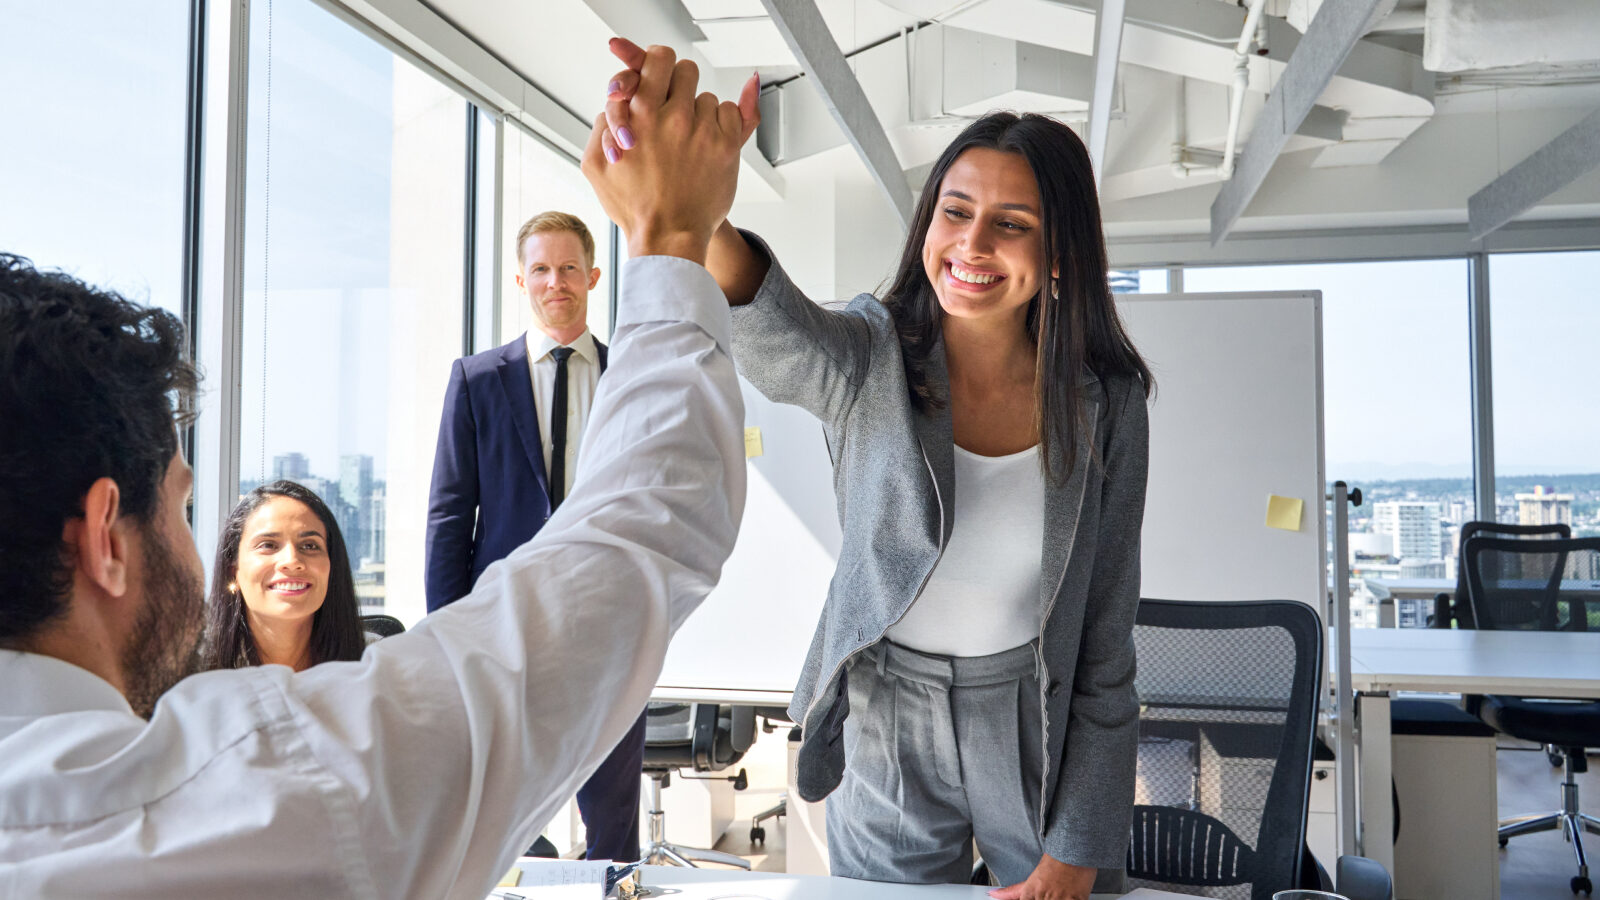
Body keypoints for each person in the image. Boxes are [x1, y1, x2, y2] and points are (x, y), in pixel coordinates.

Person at [0, 44, 758, 899]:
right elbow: (636, 527)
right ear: (107, 537)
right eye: (177, 510)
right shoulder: (256, 793)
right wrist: (671, 238)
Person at [602, 39, 1152, 900]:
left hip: (1034, 716)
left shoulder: (1105, 400)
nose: (972, 243)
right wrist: (687, 205)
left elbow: (1107, 636)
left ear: (1059, 257)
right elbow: (774, 328)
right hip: (890, 711)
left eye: (1011, 224)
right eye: (954, 211)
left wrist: (1077, 849)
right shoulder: (872, 356)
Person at [426, 210, 644, 860]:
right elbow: (449, 514)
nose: (557, 282)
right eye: (542, 269)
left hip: (609, 618)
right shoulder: (478, 380)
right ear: (521, 279)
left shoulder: (627, 373)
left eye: (569, 268)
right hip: (504, 620)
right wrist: (448, 631)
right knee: (503, 797)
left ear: (593, 276)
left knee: (612, 811)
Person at [196, 480, 367, 673]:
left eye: (310, 545)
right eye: (268, 545)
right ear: (233, 569)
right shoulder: (188, 671)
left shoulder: (377, 668)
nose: (292, 560)